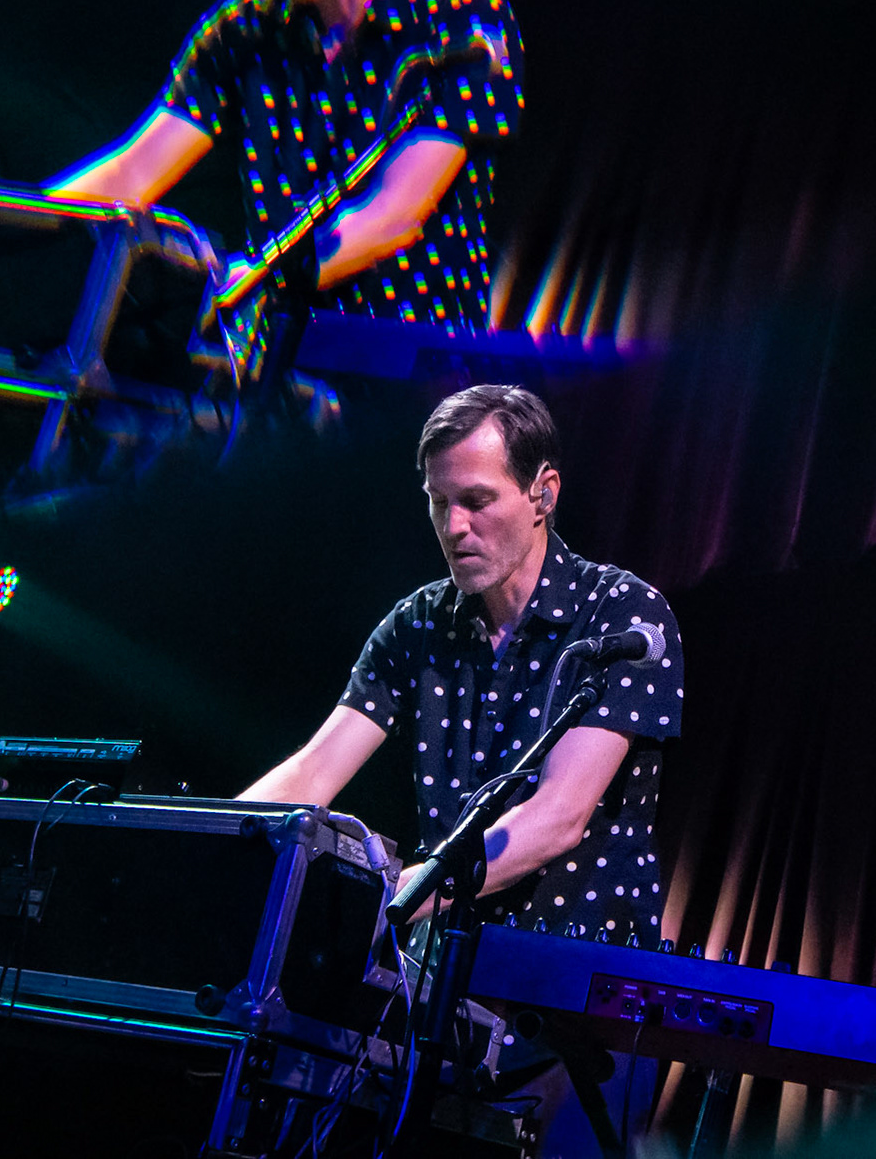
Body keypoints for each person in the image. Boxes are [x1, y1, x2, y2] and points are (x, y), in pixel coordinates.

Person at [240, 384, 683, 941]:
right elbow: (313, 770)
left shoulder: (620, 615)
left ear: (543, 495)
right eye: (439, 501)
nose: (453, 527)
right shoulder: (419, 622)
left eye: (476, 501)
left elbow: (557, 818)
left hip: (570, 966)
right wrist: (202, 842)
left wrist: (381, 902)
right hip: (437, 958)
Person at [48, 0, 521, 337]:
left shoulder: (460, 16)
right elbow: (132, 174)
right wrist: (17, 221)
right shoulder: (244, 30)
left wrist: (254, 280)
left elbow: (392, 215)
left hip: (412, 367)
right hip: (273, 363)